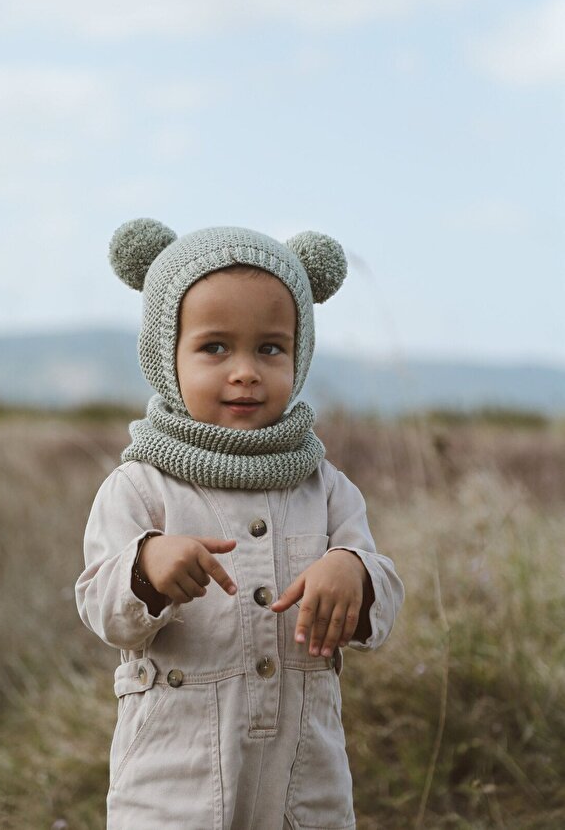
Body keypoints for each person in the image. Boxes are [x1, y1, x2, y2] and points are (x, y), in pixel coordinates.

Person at [75, 219, 404, 830]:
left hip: (303, 788)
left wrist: (354, 571)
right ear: (166, 357)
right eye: (215, 348)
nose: (246, 371)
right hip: (174, 787)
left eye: (270, 348)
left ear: (299, 355)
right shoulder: (140, 486)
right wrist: (145, 569)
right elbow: (102, 608)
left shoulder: (324, 486)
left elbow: (380, 612)